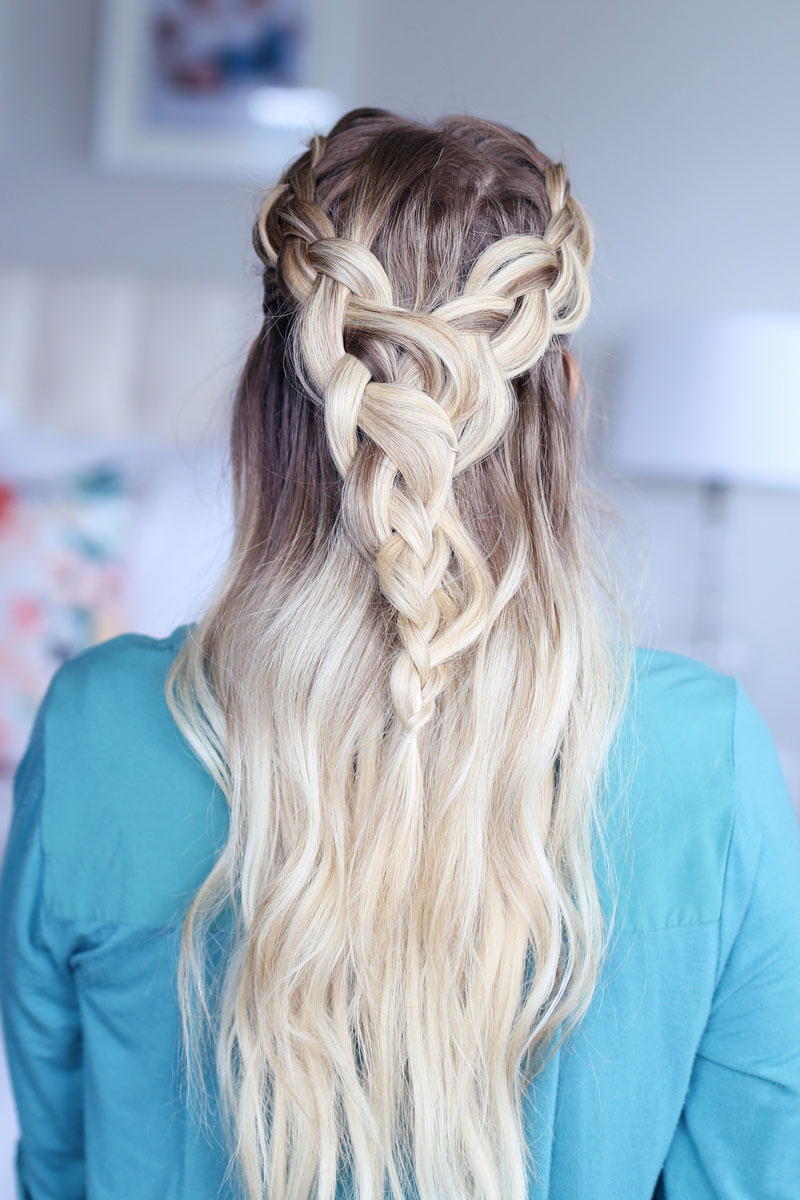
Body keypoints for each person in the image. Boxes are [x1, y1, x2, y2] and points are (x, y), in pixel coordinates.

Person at [1, 106, 800, 1200]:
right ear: (559, 402)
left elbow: (56, 1169)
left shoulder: (97, 731)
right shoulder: (709, 759)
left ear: (263, 409)